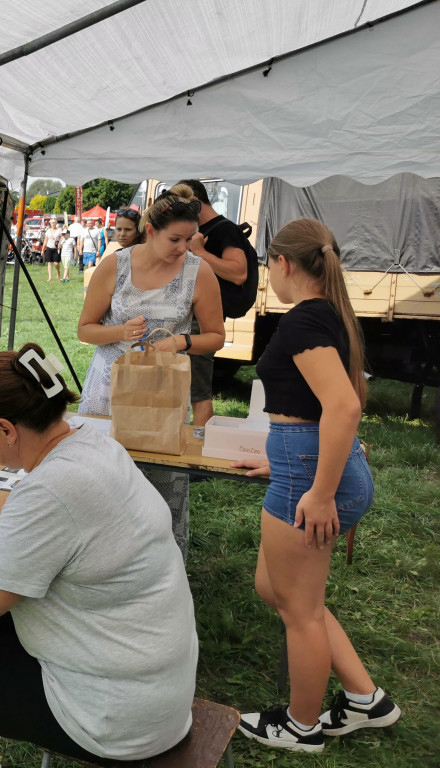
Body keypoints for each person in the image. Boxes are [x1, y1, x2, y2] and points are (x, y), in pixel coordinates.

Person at [0, 344, 198, 766]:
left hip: (115, 717)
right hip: (154, 688)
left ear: (5, 429)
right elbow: (39, 509)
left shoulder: (50, 489)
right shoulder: (91, 445)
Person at [235, 219, 400, 752]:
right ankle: (364, 698)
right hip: (304, 467)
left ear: (283, 263)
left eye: (268, 266)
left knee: (299, 609)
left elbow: (345, 405)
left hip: (312, 478)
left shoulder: (305, 321)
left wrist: (321, 490)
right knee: (277, 589)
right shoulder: (327, 314)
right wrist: (285, 464)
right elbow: (325, 403)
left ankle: (300, 726)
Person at [76, 185, 225, 559]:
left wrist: (180, 343)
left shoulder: (199, 272)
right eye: (175, 239)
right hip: (108, 391)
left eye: (190, 238)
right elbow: (84, 329)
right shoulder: (116, 264)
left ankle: (159, 564)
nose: (183, 247)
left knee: (158, 477)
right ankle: (95, 559)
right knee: (100, 477)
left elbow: (216, 337)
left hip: (162, 394)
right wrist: (119, 332)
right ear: (151, 230)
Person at [178, 179, 251, 427]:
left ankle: (200, 443)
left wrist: (200, 252)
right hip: (191, 316)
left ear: (196, 203)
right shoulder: (199, 230)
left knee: (198, 392)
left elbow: (238, 272)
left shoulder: (224, 230)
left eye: (182, 206)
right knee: (186, 387)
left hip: (203, 320)